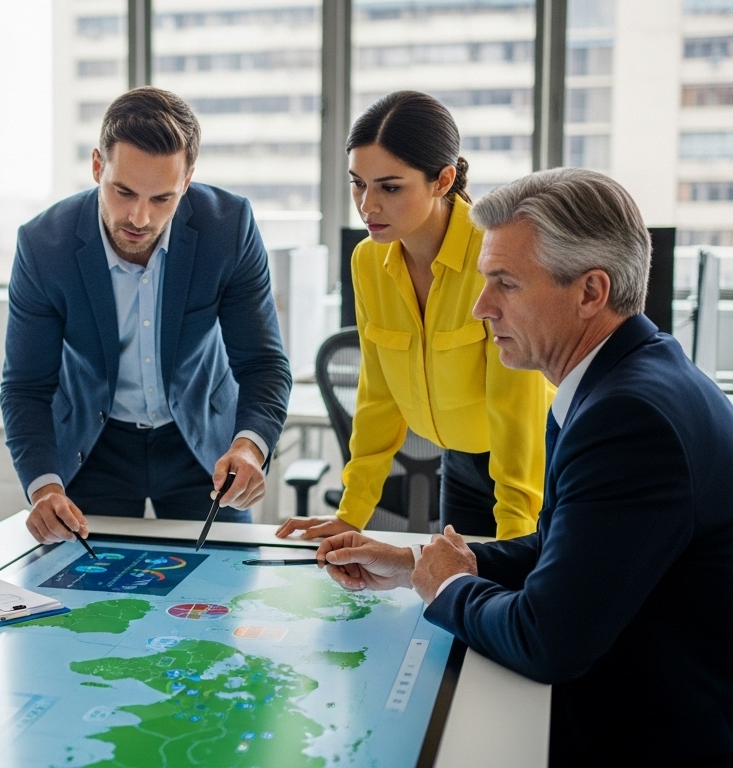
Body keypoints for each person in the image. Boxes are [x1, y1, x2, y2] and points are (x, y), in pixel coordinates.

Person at [312, 168, 733, 764]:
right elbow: (567, 549)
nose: (481, 308)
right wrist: (417, 566)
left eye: (505, 284)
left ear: (590, 291)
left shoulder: (630, 419)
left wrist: (448, 588)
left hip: (651, 734)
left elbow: (547, 639)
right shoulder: (624, 379)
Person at [1, 86, 291, 544]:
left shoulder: (228, 227)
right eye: (123, 191)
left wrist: (250, 446)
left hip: (203, 446)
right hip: (94, 448)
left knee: (224, 595)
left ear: (188, 180)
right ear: (98, 166)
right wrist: (44, 487)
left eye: (162, 199)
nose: (139, 217)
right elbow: (26, 386)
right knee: (88, 603)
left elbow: (262, 363)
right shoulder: (44, 245)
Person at [278, 91, 550, 542]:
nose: (367, 205)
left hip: (532, 461)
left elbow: (514, 407)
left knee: (517, 595)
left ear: (442, 180)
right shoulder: (368, 261)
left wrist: (516, 538)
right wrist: (352, 512)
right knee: (461, 597)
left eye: (389, 187)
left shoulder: (494, 255)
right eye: (357, 183)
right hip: (460, 460)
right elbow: (378, 394)